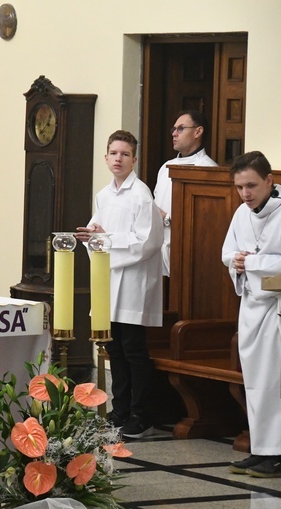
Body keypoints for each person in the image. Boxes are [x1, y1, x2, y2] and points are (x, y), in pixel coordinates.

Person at [75, 130, 163, 439]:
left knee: (133, 349)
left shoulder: (141, 195)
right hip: (109, 281)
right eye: (113, 153)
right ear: (106, 157)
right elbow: (94, 234)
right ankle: (120, 408)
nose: (118, 158)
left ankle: (142, 413)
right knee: (115, 348)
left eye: (125, 154)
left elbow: (147, 242)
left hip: (134, 283)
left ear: (134, 159)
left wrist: (105, 239)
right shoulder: (104, 194)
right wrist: (94, 234)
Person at [222, 151, 281, 478]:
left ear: (269, 180)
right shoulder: (242, 212)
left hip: (278, 308)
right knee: (254, 382)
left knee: (272, 382)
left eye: (251, 185)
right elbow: (228, 251)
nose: (245, 194)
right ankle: (260, 448)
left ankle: (278, 452)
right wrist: (235, 261)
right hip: (250, 304)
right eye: (239, 187)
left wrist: (249, 263)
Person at [153, 110, 217, 275]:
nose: (174, 133)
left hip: (188, 254)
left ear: (198, 131)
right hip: (157, 252)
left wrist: (167, 218)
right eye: (173, 129)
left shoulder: (208, 169)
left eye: (181, 128)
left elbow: (208, 221)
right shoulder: (165, 167)